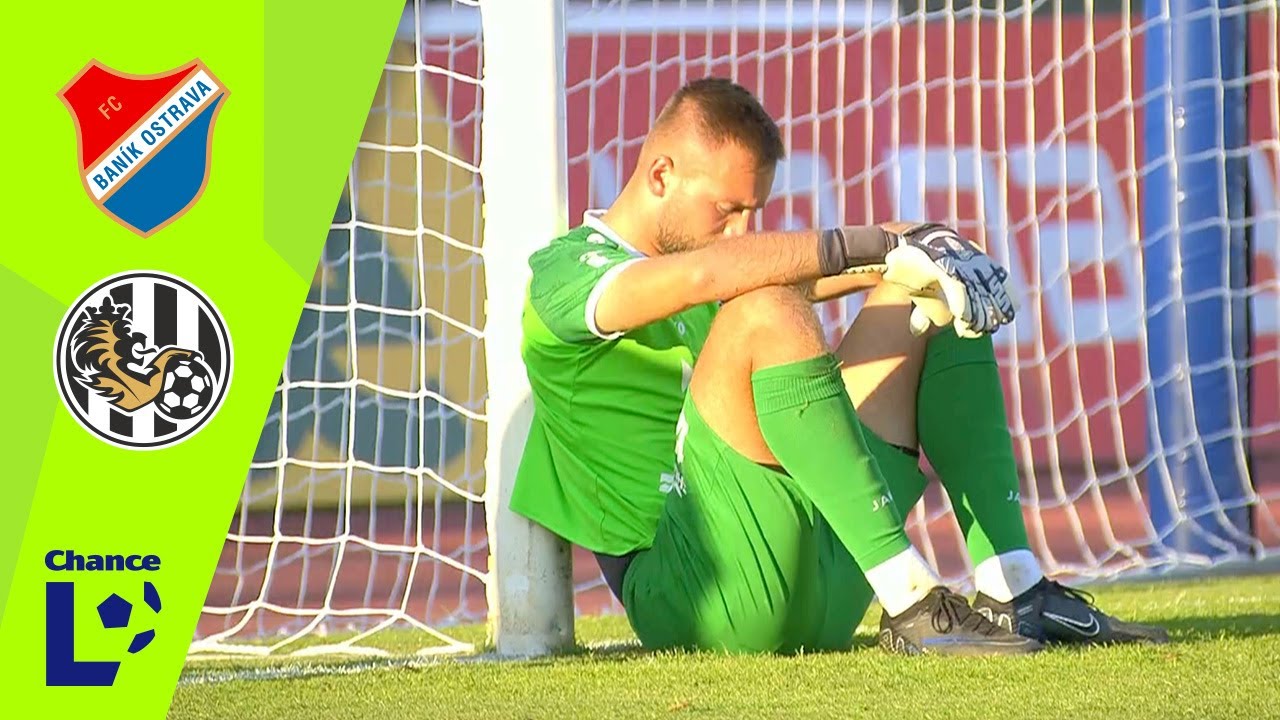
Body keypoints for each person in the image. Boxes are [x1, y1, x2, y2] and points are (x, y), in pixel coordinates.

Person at [511, 77, 1167, 655]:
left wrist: (918, 241)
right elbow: (704, 275)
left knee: (932, 286)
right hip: (698, 594)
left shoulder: (715, 268)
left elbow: (751, 269)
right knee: (765, 306)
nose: (742, 230)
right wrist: (877, 243)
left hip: (822, 570)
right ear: (661, 176)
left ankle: (1011, 585)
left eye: (754, 213)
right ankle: (910, 599)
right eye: (728, 210)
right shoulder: (565, 276)